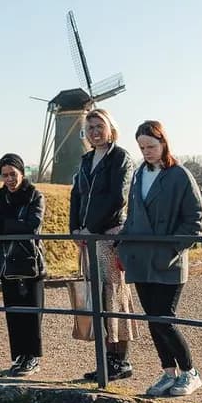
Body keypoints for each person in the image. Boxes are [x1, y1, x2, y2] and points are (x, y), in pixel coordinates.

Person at [117, 121, 202, 397]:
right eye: (142, 147)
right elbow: (133, 215)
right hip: (140, 257)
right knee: (153, 320)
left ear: (163, 143)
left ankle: (190, 372)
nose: (146, 152)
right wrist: (123, 246)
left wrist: (173, 249)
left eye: (151, 146)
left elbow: (195, 219)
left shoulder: (180, 175)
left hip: (168, 260)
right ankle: (169, 372)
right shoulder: (138, 175)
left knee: (164, 318)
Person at [69, 107, 139, 380]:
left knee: (114, 295)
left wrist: (92, 228)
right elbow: (77, 195)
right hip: (89, 238)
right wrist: (75, 229)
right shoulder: (86, 160)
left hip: (108, 235)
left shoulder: (120, 158)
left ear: (111, 128)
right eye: (90, 128)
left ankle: (120, 360)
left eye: (100, 126)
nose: (95, 132)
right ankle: (105, 359)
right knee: (97, 295)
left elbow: (117, 197)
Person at [0, 152, 47, 377]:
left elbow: (32, 225)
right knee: (13, 312)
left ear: (22, 173)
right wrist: (6, 225)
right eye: (5, 175)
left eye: (13, 174)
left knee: (31, 311)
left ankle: (32, 357)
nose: (9, 179)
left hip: (28, 261)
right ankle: (19, 356)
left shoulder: (34, 195)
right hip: (6, 263)